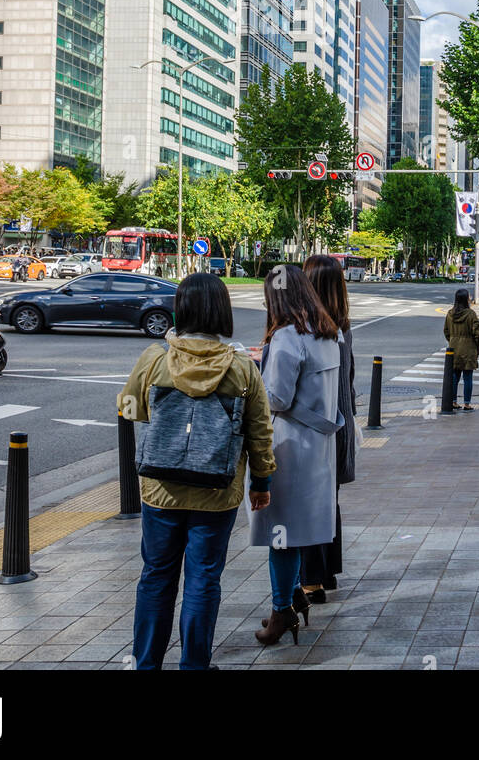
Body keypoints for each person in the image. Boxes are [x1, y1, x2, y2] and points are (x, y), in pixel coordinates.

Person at [118, 272, 275, 671]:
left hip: (161, 489)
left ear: (180, 310)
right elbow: (260, 432)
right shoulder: (242, 368)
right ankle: (194, 664)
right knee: (203, 579)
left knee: (156, 575)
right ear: (222, 313)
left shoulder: (154, 360)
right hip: (216, 493)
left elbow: (129, 408)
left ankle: (147, 663)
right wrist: (262, 482)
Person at [250, 265, 343, 647]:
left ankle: (281, 611)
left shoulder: (288, 338)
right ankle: (293, 597)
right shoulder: (327, 334)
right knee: (296, 531)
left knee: (280, 533)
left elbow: (276, 398)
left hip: (288, 444)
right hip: (318, 447)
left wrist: (254, 372)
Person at [299, 254, 356, 604]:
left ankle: (311, 581)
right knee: (327, 498)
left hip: (314, 429)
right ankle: (328, 570)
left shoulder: (307, 328)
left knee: (307, 503)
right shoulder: (342, 326)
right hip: (340, 425)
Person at [443, 288, 479, 410]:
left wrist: (452, 340)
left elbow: (446, 331)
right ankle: (467, 403)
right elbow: (477, 334)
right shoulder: (471, 314)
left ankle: (453, 401)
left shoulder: (450, 314)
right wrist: (477, 348)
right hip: (469, 348)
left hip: (454, 348)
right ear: (466, 299)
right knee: (468, 377)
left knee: (454, 376)